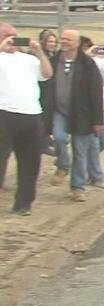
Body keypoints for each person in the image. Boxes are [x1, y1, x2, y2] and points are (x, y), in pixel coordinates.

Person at [0, 22, 52, 215]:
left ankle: (23, 203)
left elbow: (47, 74)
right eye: (7, 36)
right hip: (4, 113)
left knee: (31, 162)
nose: (13, 40)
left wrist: (38, 52)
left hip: (31, 114)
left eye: (15, 36)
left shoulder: (28, 59)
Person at [49, 29, 104, 201]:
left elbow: (96, 93)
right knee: (58, 138)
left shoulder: (87, 64)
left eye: (69, 40)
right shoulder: (53, 60)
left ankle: (77, 188)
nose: (64, 42)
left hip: (82, 116)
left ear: (77, 43)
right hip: (59, 111)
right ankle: (63, 165)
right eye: (63, 39)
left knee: (80, 151)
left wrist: (97, 120)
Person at [37, 30, 58, 156]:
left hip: (51, 89)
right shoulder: (39, 55)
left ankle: (46, 138)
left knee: (50, 113)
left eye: (54, 42)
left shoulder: (54, 54)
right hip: (42, 88)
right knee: (43, 114)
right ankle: (42, 142)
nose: (53, 44)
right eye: (50, 41)